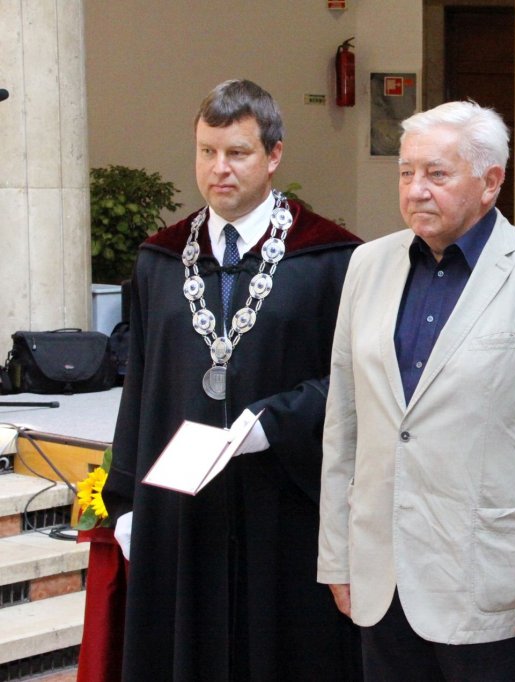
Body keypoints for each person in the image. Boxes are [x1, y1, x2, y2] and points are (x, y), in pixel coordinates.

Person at [318, 100, 515, 681]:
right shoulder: (367, 266)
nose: (416, 190)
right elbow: (342, 426)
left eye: (437, 173)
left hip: (492, 589)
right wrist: (337, 556)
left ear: (490, 182)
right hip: (382, 580)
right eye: (406, 172)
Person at [103, 79, 363, 681]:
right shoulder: (159, 260)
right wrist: (127, 502)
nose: (219, 169)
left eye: (237, 153)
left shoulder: (332, 259)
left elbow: (355, 383)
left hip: (285, 503)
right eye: (207, 152)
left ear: (274, 156)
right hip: (180, 509)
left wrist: (276, 422)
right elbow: (139, 387)